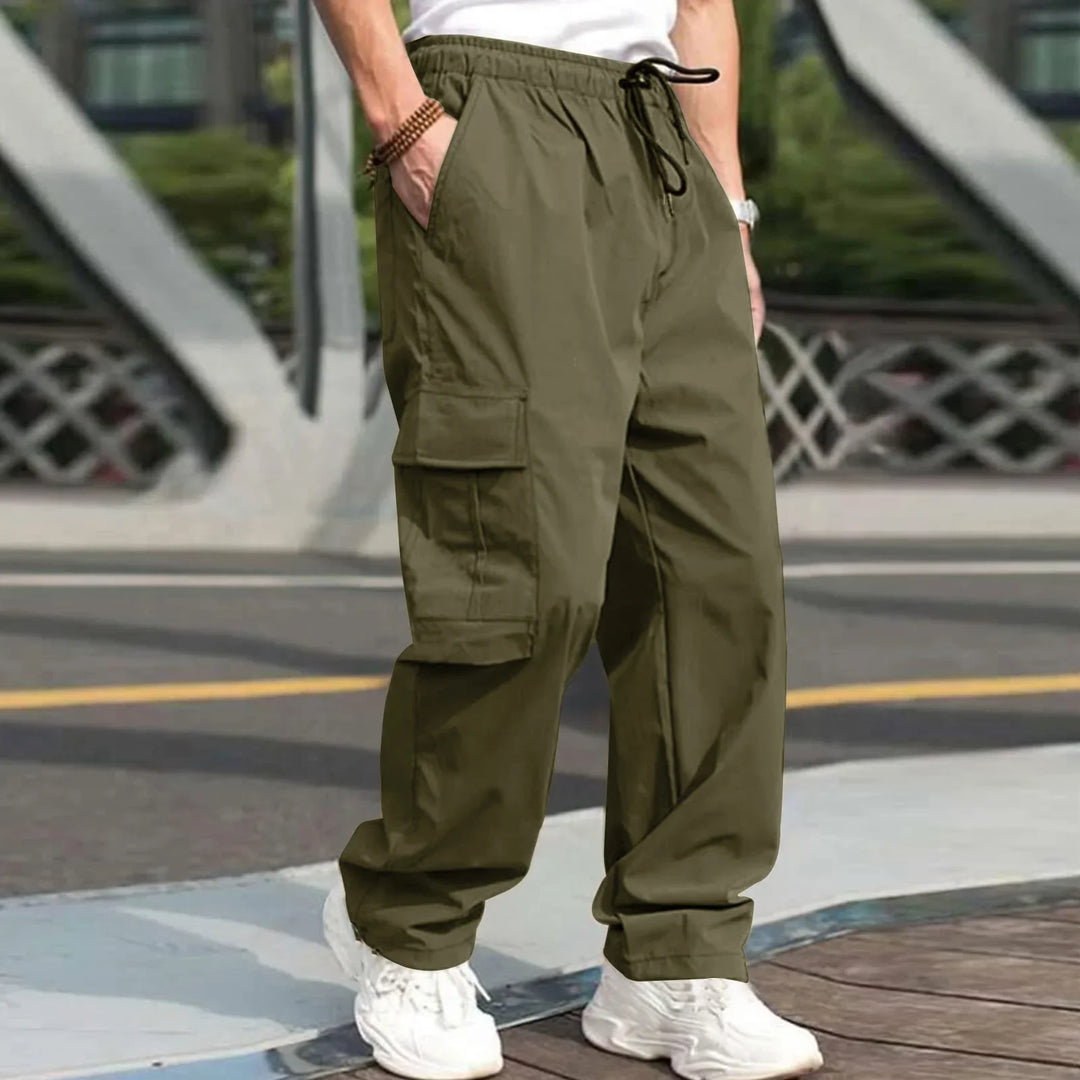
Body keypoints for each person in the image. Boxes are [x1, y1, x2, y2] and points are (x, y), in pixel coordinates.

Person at [314, 1, 822, 1077]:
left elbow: (701, 7)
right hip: (489, 111)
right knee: (519, 560)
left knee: (716, 579)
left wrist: (727, 201)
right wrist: (400, 117)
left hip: (665, 134)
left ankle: (674, 959)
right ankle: (410, 930)